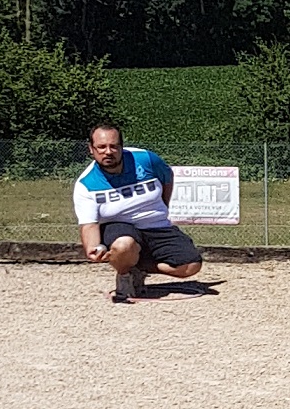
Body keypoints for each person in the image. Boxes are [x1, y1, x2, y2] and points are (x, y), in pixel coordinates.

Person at [73, 125, 204, 302]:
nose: (108, 152)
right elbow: (89, 223)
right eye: (101, 147)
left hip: (155, 226)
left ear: (122, 146)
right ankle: (125, 274)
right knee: (123, 246)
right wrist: (92, 249)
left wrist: (163, 206)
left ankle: (138, 268)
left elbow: (167, 178)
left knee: (191, 266)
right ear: (91, 149)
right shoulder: (86, 184)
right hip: (118, 227)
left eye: (114, 146)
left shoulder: (146, 159)